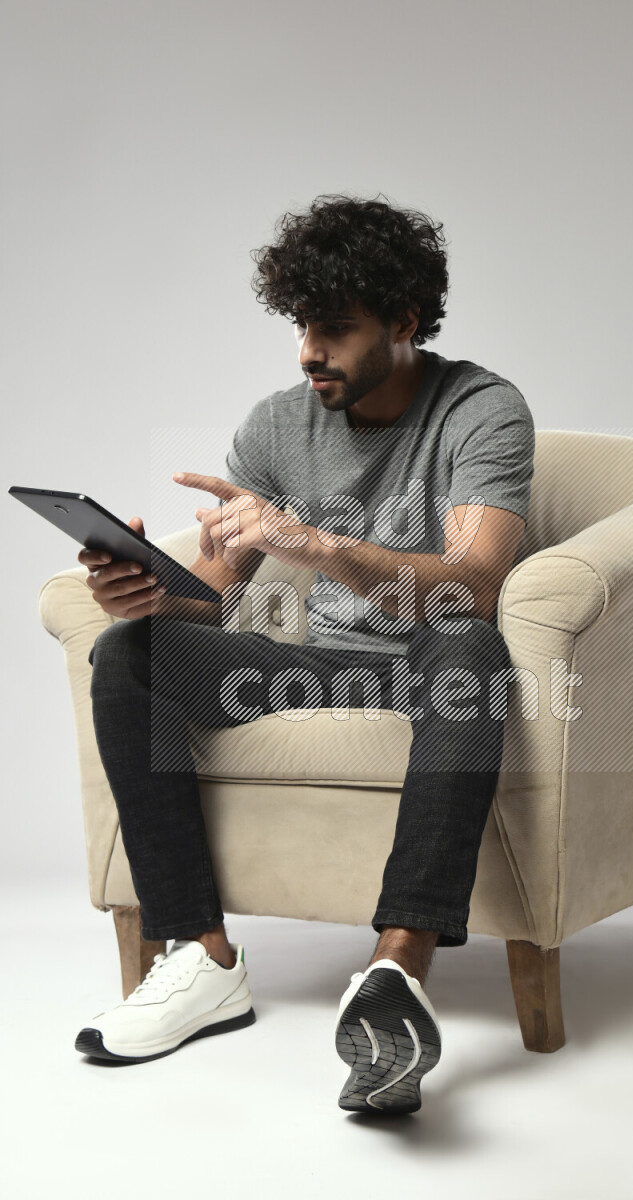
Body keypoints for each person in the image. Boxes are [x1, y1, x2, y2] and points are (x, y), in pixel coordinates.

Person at [75, 193, 535, 1114]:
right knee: (135, 654)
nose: (309, 351)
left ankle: (394, 978)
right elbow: (214, 594)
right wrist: (151, 592)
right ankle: (200, 958)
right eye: (300, 326)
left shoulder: (482, 410)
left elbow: (474, 584)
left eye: (335, 328)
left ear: (404, 323)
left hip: (431, 666)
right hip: (321, 664)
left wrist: (317, 544)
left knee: (473, 648)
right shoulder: (279, 425)